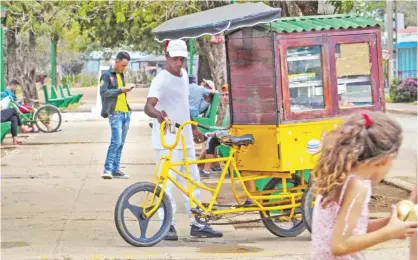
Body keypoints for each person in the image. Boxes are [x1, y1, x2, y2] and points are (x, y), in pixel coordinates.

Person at [144, 39, 223, 241]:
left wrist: (194, 128)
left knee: (192, 181)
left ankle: (197, 223)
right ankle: (167, 225)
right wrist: (158, 115)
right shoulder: (160, 80)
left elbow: (184, 106)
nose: (179, 63)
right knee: (167, 184)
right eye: (175, 59)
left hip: (185, 136)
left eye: (182, 59)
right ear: (167, 57)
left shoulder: (184, 76)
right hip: (167, 139)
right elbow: (148, 106)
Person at [311, 111, 417, 259]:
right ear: (385, 159)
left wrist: (389, 222)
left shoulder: (341, 177)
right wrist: (389, 233)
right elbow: (339, 246)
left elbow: (352, 228)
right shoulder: (357, 187)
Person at [100, 51, 133, 180]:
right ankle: (107, 169)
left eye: (126, 66)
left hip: (125, 112)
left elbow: (121, 94)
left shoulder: (121, 75)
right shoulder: (106, 75)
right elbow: (104, 93)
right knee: (116, 141)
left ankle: (115, 169)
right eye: (123, 65)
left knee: (121, 143)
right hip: (115, 113)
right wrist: (120, 90)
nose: (123, 68)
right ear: (117, 61)